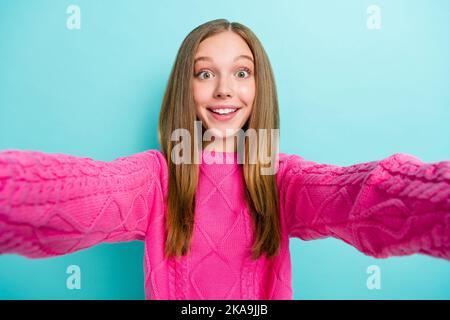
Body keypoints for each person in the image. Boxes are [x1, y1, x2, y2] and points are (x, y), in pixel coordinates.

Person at [0, 19, 449, 300]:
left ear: (259, 88)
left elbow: (362, 195)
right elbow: (81, 193)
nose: (224, 90)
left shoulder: (282, 177)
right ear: (186, 87)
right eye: (204, 73)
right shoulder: (157, 177)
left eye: (241, 72)